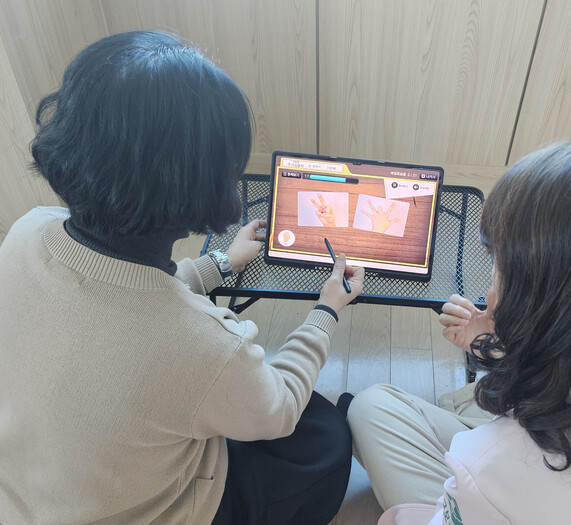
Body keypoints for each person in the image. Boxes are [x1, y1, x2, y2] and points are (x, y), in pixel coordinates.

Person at [0, 31, 364, 525]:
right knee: (327, 436)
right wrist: (325, 311)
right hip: (153, 510)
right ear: (206, 185)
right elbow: (277, 410)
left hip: (30, 490)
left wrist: (220, 264)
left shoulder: (28, 231)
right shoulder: (206, 346)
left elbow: (125, 293)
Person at [346, 140, 571, 524]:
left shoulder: (496, 467)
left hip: (491, 491)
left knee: (368, 408)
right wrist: (497, 346)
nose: (491, 289)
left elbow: (502, 464)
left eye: (496, 260)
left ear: (540, 297)